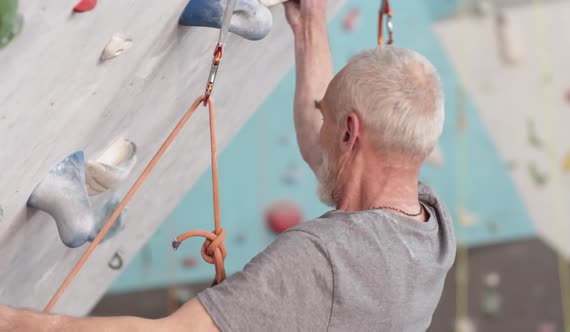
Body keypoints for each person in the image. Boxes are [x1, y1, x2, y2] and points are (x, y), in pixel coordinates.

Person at [0, 1, 455, 331]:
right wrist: (310, 24)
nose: (319, 132)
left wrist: (18, 322)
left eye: (328, 119)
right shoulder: (430, 229)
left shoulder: (322, 262)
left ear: (350, 133)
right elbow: (324, 151)